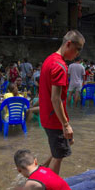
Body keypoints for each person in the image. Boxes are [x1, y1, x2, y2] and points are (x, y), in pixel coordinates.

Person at [39, 30, 84, 175]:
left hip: (47, 116)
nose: (77, 54)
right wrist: (65, 124)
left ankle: (42, 167)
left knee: (68, 142)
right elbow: (55, 98)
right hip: (55, 119)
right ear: (68, 44)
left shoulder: (49, 59)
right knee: (59, 156)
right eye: (77, 50)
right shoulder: (60, 66)